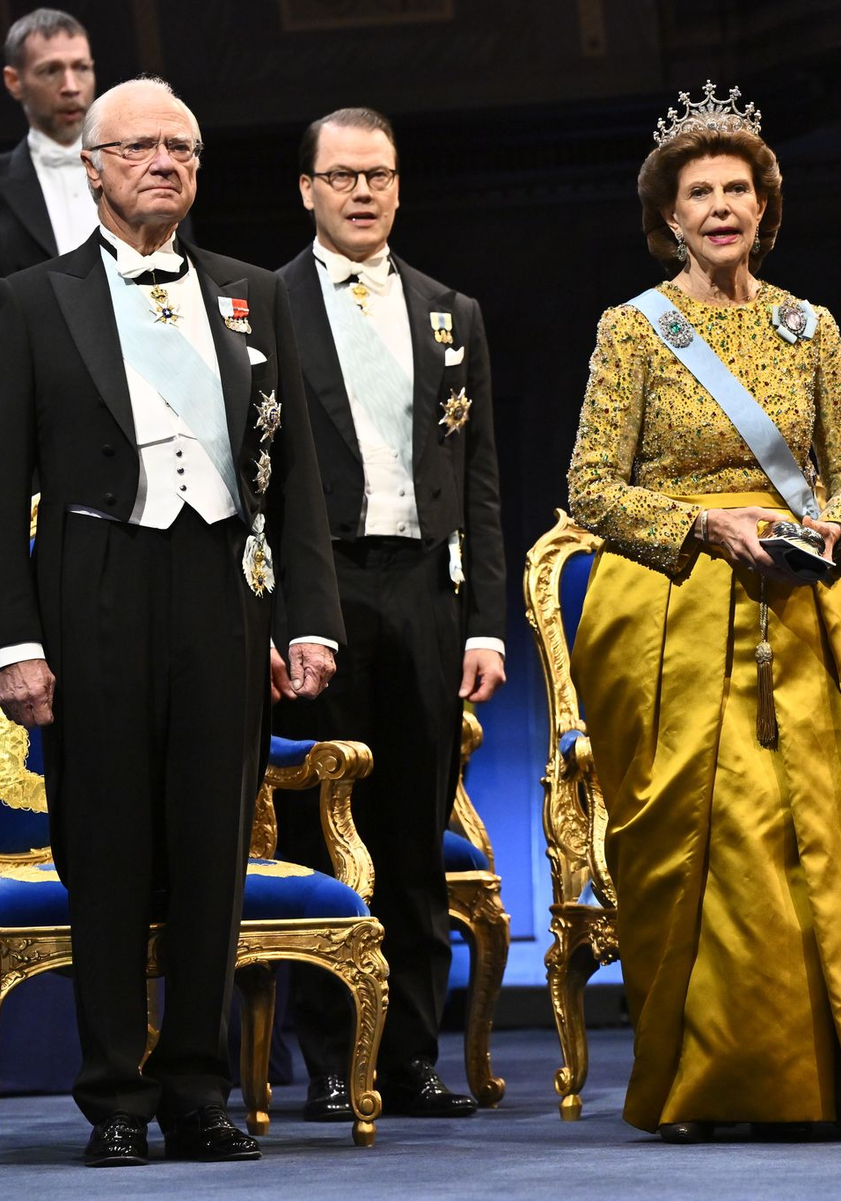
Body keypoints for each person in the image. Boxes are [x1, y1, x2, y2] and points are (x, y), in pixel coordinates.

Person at [566, 82, 841, 1141]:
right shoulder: (632, 334)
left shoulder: (811, 326)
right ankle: (737, 1074)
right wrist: (704, 527)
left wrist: (833, 534)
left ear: (765, 208)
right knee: (735, 840)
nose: (721, 207)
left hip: (808, 607)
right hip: (678, 609)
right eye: (699, 193)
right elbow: (593, 486)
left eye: (738, 189)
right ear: (668, 216)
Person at [0, 77, 344, 1166]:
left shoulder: (252, 294)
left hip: (223, 585)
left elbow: (294, 482)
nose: (164, 164)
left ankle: (198, 1087)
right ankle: (113, 1094)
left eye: (183, 149)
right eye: (139, 147)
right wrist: (15, 640)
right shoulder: (29, 300)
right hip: (94, 578)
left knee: (211, 845)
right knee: (104, 846)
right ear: (92, 167)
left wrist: (310, 617)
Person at [272, 107, 505, 1121]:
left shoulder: (452, 310)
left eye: (379, 174)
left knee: (412, 831)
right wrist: (282, 614)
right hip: (317, 591)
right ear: (308, 189)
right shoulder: (263, 302)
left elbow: (484, 478)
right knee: (321, 828)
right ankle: (330, 1057)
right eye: (342, 175)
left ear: (400, 186)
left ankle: (409, 1056)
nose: (362, 191)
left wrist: (488, 622)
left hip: (424, 591)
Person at [0, 8, 96, 274]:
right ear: (14, 81)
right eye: (50, 70)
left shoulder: (143, 170)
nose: (71, 86)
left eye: (81, 68)